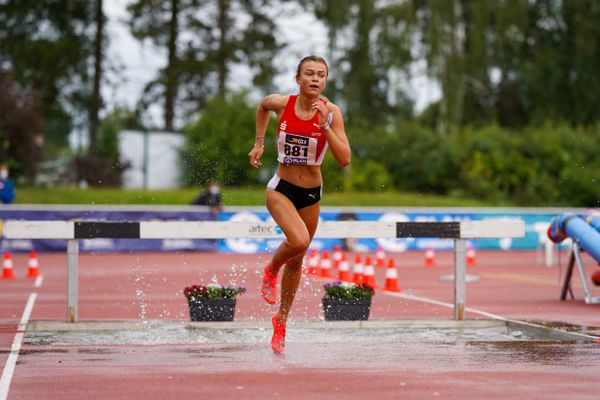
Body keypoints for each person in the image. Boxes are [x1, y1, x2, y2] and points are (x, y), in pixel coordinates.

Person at [248, 55, 351, 353]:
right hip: (281, 188)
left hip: (311, 194)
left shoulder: (332, 112)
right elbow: (262, 105)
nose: (315, 79)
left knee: (298, 257)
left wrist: (325, 127)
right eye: (309, 73)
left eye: (321, 74)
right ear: (298, 79)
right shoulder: (283, 104)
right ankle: (270, 270)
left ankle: (280, 322)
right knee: (300, 240)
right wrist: (259, 142)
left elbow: (345, 160)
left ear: (326, 81)